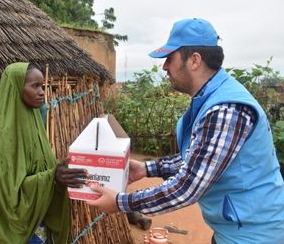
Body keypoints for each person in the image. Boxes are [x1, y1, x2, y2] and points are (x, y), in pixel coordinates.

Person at [86, 18, 284, 243]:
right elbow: (201, 158)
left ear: (194, 60)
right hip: (236, 227)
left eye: (169, 58)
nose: (164, 67)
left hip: (254, 234)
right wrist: (146, 168)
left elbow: (188, 187)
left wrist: (122, 202)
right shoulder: (210, 100)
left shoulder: (226, 109)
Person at [0, 62, 87, 243]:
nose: (41, 92)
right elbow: (5, 192)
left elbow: (42, 166)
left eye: (43, 86)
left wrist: (58, 171)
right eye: (35, 86)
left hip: (39, 221)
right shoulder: (4, 134)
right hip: (20, 230)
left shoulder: (35, 122)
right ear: (16, 88)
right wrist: (52, 177)